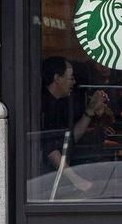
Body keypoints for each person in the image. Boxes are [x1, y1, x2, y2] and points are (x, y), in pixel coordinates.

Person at [39, 56, 109, 193]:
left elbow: (70, 139)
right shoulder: (43, 105)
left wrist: (90, 110)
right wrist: (77, 180)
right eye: (71, 78)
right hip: (46, 179)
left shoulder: (60, 103)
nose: (74, 82)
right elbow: (50, 149)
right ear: (57, 78)